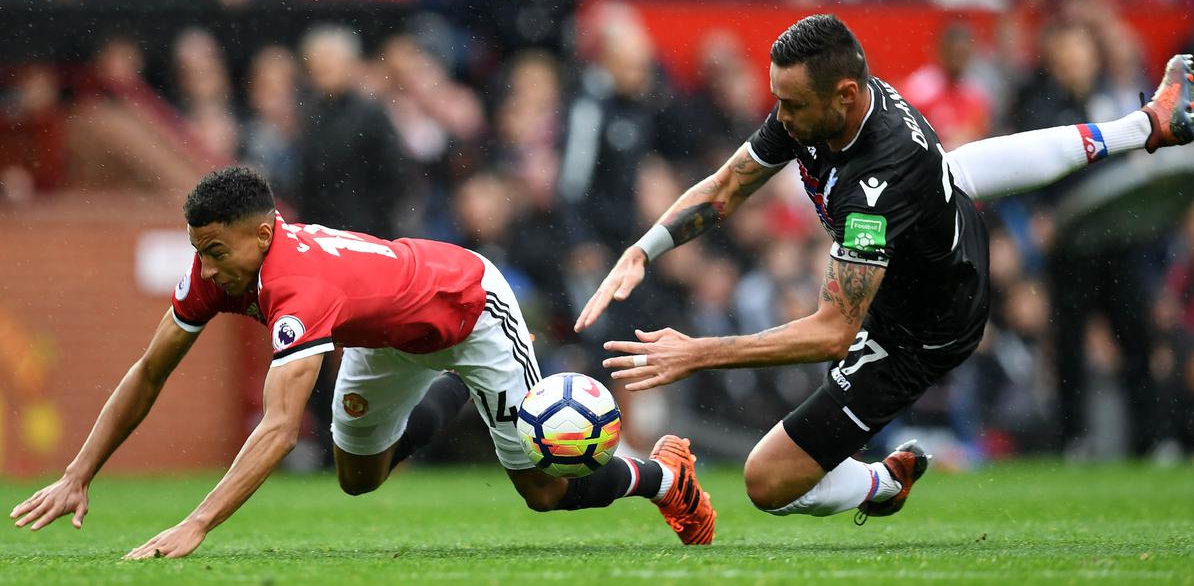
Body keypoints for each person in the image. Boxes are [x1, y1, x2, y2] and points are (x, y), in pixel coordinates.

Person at [578, 14, 1194, 523]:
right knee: (953, 172)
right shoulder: (824, 109)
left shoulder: (875, 182)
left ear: (845, 96)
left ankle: (880, 482)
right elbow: (726, 187)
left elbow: (833, 331)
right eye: (778, 101)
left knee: (765, 482)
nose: (781, 118)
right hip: (932, 229)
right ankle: (1143, 124)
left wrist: (699, 353)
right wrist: (644, 249)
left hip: (923, 326)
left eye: (790, 106)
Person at [10, 167, 716, 557]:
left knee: (543, 492)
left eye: (215, 251)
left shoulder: (299, 289)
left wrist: (196, 523)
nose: (203, 267)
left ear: (263, 235)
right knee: (357, 480)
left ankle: (662, 477)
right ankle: (453, 396)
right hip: (389, 332)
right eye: (197, 249)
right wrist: (78, 474)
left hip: (468, 305)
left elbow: (281, 429)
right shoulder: (219, 271)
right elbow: (149, 372)